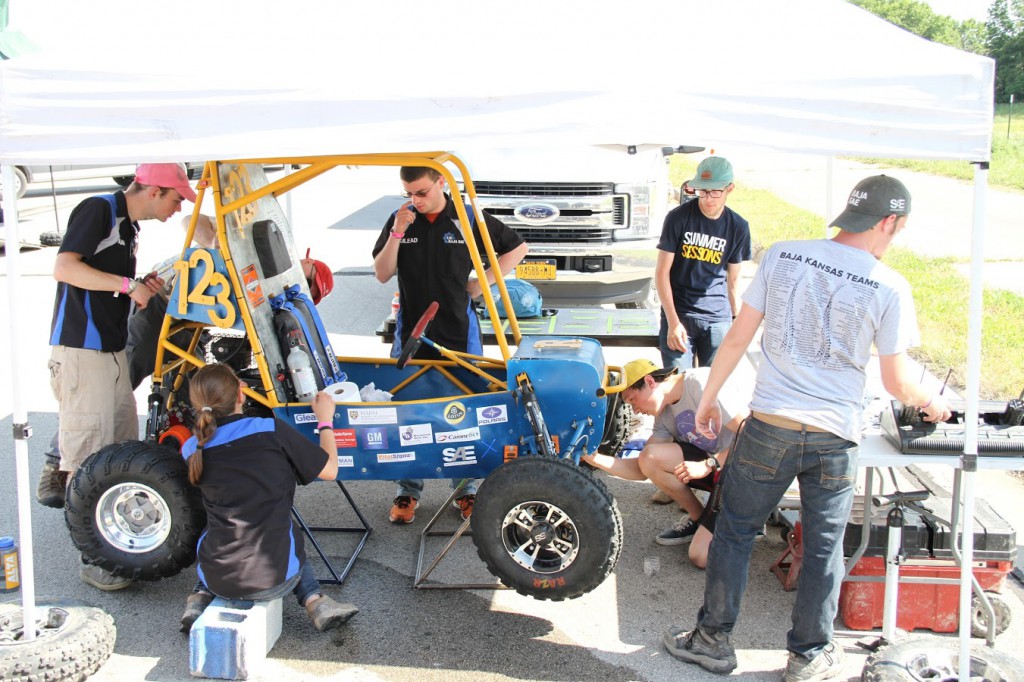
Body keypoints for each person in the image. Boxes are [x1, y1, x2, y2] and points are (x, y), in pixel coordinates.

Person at [664, 175, 953, 681]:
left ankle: (712, 641)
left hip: (770, 425)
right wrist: (933, 403)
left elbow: (735, 339)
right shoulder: (890, 286)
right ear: (888, 222)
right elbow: (896, 380)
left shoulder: (784, 254)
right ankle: (808, 656)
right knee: (822, 546)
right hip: (835, 437)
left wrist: (708, 399)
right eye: (897, 229)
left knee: (734, 535)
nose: (894, 238)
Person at [36, 213, 337, 507]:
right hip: (162, 302)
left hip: (189, 318)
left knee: (184, 391)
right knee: (114, 381)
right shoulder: (266, 245)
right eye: (309, 282)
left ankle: (166, 467)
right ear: (307, 263)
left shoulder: (279, 279)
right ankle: (56, 463)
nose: (305, 289)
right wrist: (215, 242)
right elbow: (190, 221)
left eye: (311, 293)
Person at [46, 163, 196, 590]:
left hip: (110, 351)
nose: (177, 207)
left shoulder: (128, 225)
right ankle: (95, 556)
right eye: (176, 198)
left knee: (118, 453)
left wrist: (135, 282)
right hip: (82, 352)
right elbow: (65, 268)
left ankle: (115, 544)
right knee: (88, 456)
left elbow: (106, 280)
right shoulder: (98, 209)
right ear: (154, 190)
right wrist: (127, 285)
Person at [371, 166, 528, 524]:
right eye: (409, 192)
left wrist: (482, 283)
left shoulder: (467, 217)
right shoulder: (400, 219)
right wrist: (398, 231)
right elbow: (381, 273)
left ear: (442, 183)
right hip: (411, 332)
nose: (416, 200)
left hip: (459, 332)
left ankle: (467, 490)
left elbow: (518, 247)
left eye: (422, 192)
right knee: (409, 413)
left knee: (463, 413)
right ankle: (407, 490)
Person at [178, 364, 358, 634]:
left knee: (214, 526)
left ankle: (199, 597)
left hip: (218, 580)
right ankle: (314, 601)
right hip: (275, 580)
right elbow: (330, 470)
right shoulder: (271, 430)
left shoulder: (192, 448)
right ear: (241, 393)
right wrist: (325, 420)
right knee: (282, 527)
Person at [581, 359, 746, 568]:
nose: (636, 411)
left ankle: (748, 518)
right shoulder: (665, 413)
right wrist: (593, 458)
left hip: (745, 470)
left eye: (633, 400)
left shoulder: (699, 383)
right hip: (717, 470)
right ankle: (701, 519)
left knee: (700, 557)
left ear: (650, 382)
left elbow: (750, 430)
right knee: (650, 456)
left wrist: (710, 463)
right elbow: (643, 468)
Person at [656, 156, 751, 370]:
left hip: (717, 316)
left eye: (715, 191)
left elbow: (734, 280)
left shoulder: (738, 226)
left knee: (713, 387)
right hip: (679, 313)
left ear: (730, 189)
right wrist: (672, 321)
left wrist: (736, 320)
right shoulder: (678, 218)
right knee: (677, 385)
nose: (708, 198)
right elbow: (662, 273)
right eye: (702, 191)